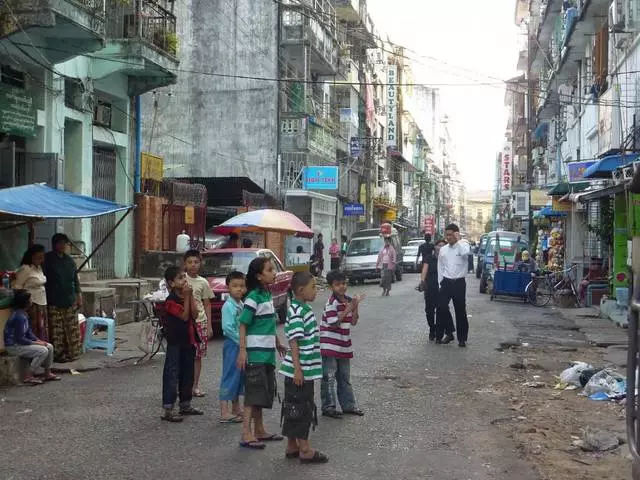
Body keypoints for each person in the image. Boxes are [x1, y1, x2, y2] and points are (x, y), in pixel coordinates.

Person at [237, 257, 287, 449]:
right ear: (259, 276)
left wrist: (277, 343)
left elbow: (268, 325)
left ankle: (259, 429)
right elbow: (243, 324)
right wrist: (243, 351)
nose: (274, 272)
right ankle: (246, 433)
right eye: (269, 270)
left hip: (267, 353)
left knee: (261, 393)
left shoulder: (266, 294)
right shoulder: (253, 298)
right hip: (255, 353)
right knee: (252, 394)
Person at [279, 271, 328, 464]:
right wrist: (298, 369)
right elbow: (294, 341)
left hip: (298, 370)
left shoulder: (300, 308)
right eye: (313, 287)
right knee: (302, 407)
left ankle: (292, 445)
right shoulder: (299, 311)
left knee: (293, 405)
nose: (316, 290)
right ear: (300, 290)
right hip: (300, 370)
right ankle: (305, 449)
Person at [161, 266, 204, 422]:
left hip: (189, 340)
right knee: (172, 374)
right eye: (180, 278)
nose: (184, 281)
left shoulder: (186, 295)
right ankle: (168, 408)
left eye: (184, 278)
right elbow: (184, 317)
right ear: (171, 283)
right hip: (175, 341)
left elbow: (195, 313)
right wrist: (187, 297)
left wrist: (190, 296)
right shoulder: (170, 301)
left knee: (187, 372)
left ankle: (185, 404)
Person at [320, 270, 364, 418]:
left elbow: (354, 322)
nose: (342, 287)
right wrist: (348, 309)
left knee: (344, 377)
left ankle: (348, 405)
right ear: (331, 287)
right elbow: (334, 323)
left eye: (344, 283)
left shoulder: (348, 300)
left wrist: (355, 306)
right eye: (337, 284)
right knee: (329, 376)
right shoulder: (331, 303)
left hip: (343, 344)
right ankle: (328, 406)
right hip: (329, 345)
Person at [3, 290, 60, 385]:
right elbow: (20, 339)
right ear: (26, 303)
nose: (32, 301)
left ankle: (47, 372)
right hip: (14, 346)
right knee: (43, 351)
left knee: (49, 346)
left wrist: (38, 340)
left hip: (21, 343)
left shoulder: (24, 314)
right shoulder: (18, 317)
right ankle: (28, 375)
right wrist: (37, 343)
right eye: (30, 299)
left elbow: (29, 332)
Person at [43, 233, 82, 363]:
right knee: (57, 329)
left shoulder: (69, 261)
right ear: (54, 245)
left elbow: (75, 280)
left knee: (72, 327)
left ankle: (72, 352)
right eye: (60, 243)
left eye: (65, 243)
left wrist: (78, 296)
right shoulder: (47, 259)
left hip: (69, 299)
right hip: (53, 299)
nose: (63, 246)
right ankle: (58, 354)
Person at [183, 249, 214, 398]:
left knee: (197, 357)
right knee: (184, 356)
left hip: (200, 323)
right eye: (190, 262)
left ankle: (195, 386)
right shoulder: (181, 280)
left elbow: (207, 304)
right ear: (185, 264)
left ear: (200, 263)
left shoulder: (203, 282)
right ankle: (183, 386)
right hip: (184, 322)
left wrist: (209, 325)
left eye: (196, 262)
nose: (193, 265)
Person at [437, 224, 471, 347]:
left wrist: (458, 240)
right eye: (447, 235)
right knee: (441, 307)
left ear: (456, 234)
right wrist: (439, 282)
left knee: (460, 310)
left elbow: (465, 254)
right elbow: (440, 267)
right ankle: (449, 332)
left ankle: (462, 339)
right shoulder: (443, 249)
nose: (448, 237)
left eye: (451, 235)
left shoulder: (464, 245)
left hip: (459, 282)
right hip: (446, 282)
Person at [219, 271, 247, 423]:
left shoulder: (241, 305)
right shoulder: (228, 306)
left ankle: (236, 408)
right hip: (232, 344)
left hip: (240, 345)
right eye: (235, 286)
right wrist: (242, 340)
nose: (239, 289)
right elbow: (228, 328)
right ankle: (224, 411)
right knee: (229, 375)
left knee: (239, 376)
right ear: (228, 287)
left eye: (242, 286)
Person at [14, 244, 49, 341]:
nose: (41, 260)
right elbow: (18, 286)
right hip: (31, 303)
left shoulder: (38, 268)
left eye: (42, 257)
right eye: (38, 257)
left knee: (42, 327)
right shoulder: (25, 268)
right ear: (32, 256)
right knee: (33, 327)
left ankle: (44, 348)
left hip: (42, 301)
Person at [420, 239, 447, 341]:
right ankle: (432, 328)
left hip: (443, 288)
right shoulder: (429, 258)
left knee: (441, 310)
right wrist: (422, 281)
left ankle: (440, 332)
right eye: (439, 245)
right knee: (429, 311)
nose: (440, 248)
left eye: (443, 246)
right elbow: (424, 270)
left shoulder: (445, 259)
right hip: (430, 288)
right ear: (435, 247)